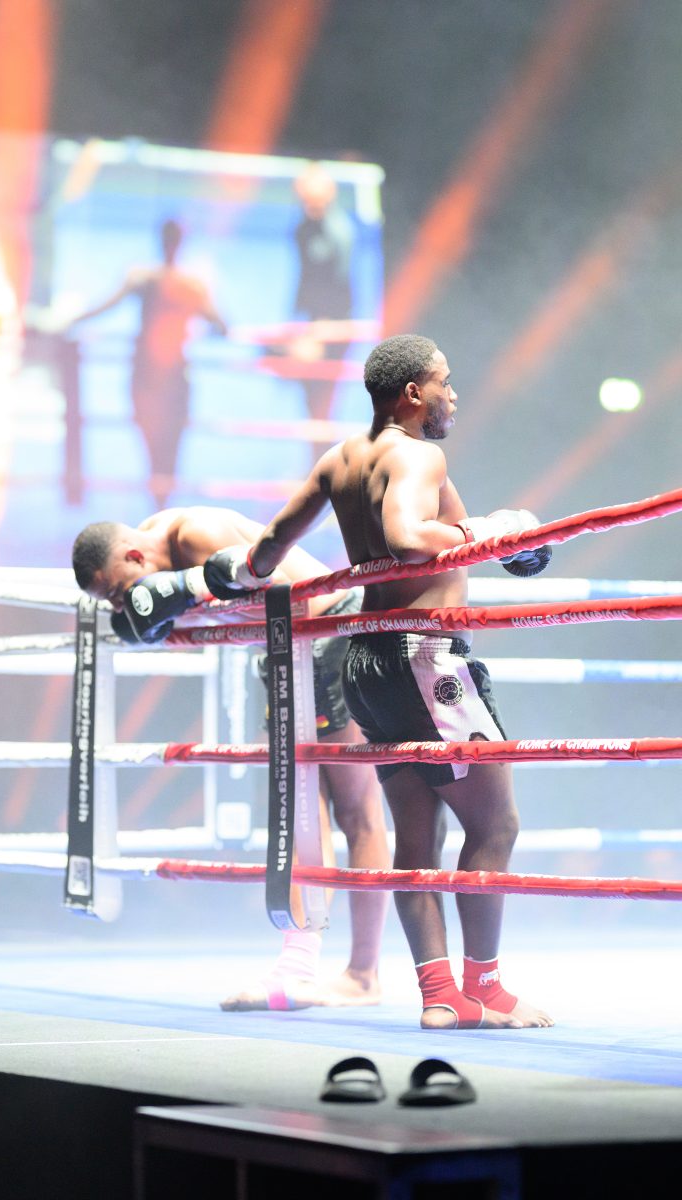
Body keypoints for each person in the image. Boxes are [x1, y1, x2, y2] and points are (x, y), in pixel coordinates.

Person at [203, 334, 554, 1030]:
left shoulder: (339, 461)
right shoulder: (418, 455)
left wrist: (232, 577)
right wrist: (491, 530)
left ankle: (440, 997)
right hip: (426, 659)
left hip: (365, 663)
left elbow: (266, 552)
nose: (454, 395)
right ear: (413, 393)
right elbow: (405, 537)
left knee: (417, 839)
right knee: (496, 824)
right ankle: (484, 990)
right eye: (445, 382)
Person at [72, 505, 390, 1010]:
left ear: (134, 555)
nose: (123, 604)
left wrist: (187, 595)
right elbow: (241, 606)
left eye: (118, 591)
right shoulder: (160, 551)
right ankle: (298, 967)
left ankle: (363, 975)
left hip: (327, 630)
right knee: (301, 810)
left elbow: (294, 601)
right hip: (288, 652)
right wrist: (181, 602)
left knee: (358, 812)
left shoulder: (198, 535)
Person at [67, 219, 228, 508]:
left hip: (147, 376)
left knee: (153, 448)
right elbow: (221, 325)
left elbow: (105, 306)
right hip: (174, 376)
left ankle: (159, 507)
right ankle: (163, 508)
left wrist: (71, 320)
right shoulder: (190, 284)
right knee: (170, 451)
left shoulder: (146, 279)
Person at [290, 162, 355, 430]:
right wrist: (297, 323)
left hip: (333, 323)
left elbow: (340, 283)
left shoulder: (338, 231)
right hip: (310, 322)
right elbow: (304, 278)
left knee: (324, 399)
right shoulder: (303, 229)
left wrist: (322, 328)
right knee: (311, 399)